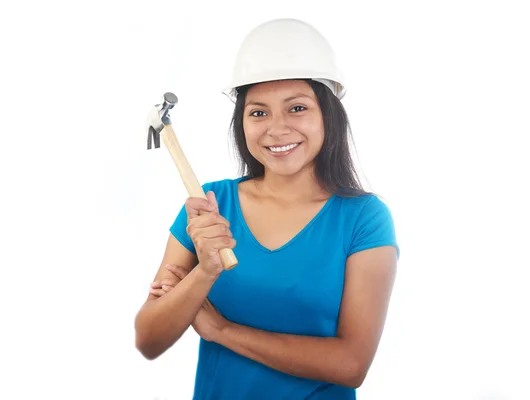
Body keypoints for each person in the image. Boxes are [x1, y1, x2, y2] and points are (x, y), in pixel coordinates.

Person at [134, 18, 399, 399]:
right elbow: (149, 339)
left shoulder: (364, 219)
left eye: (296, 108)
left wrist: (222, 331)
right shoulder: (210, 207)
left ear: (328, 115)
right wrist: (204, 271)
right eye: (258, 112)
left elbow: (351, 365)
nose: (276, 129)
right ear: (241, 122)